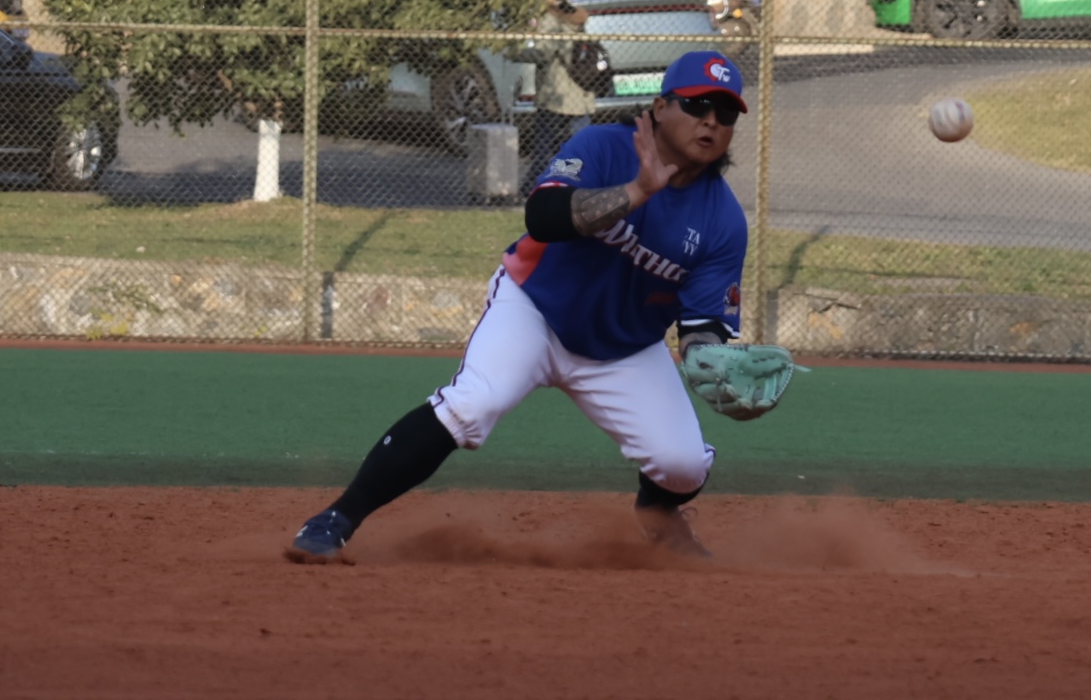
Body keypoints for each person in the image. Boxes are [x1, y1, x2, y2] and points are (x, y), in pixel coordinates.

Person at [284, 50, 752, 564]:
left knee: (683, 465)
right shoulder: (602, 146)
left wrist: (715, 367)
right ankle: (336, 519)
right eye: (697, 105)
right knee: (471, 406)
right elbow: (543, 216)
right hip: (534, 310)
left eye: (726, 112)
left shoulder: (724, 221)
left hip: (623, 349)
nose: (711, 121)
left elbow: (702, 324)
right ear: (660, 108)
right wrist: (638, 191)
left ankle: (657, 513)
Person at [516, 0, 598, 192]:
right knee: (580, 145)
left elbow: (543, 52)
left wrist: (514, 53)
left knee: (543, 145)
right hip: (581, 89)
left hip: (556, 91)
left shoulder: (550, 18)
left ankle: (534, 186)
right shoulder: (575, 16)